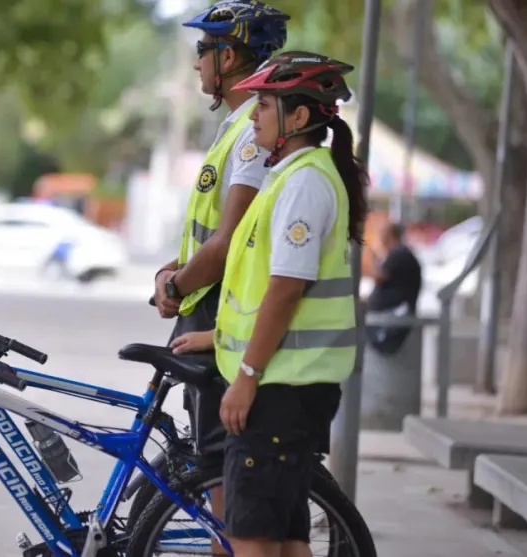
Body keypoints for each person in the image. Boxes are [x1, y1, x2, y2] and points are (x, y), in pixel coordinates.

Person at [170, 51, 369, 557]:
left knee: (250, 539)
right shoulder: (293, 176)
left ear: (298, 118)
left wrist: (246, 377)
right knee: (287, 540)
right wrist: (219, 336)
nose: (253, 114)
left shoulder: (302, 183)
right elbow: (264, 292)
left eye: (264, 105)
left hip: (279, 390)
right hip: (291, 385)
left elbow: (286, 289)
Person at [151, 0, 290, 527]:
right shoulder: (237, 126)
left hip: (218, 313)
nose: (196, 63)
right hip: (205, 304)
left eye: (202, 50)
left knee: (220, 486)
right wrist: (172, 271)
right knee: (211, 469)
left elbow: (230, 241)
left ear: (227, 57)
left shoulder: (251, 137)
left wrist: (175, 287)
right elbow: (209, 235)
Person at [365, 221, 423, 353]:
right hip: (388, 316)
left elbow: (380, 276)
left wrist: (371, 256)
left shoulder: (399, 254)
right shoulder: (399, 254)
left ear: (388, 236)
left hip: (390, 318)